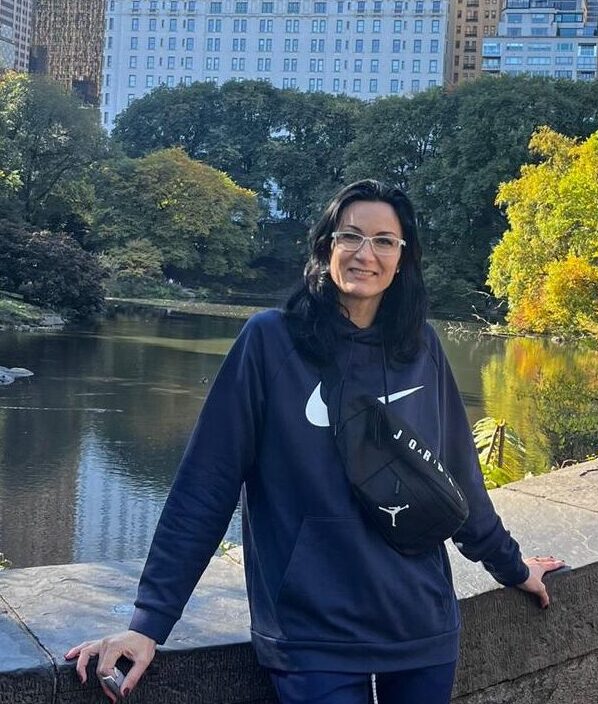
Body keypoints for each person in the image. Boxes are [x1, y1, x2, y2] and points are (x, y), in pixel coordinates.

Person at [66, 180, 564, 703]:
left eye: (384, 241)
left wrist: (512, 566)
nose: (365, 254)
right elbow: (206, 485)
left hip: (418, 622)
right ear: (326, 245)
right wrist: (149, 622)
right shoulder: (270, 341)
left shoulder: (421, 347)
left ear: (403, 257)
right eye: (351, 236)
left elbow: (460, 479)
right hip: (311, 633)